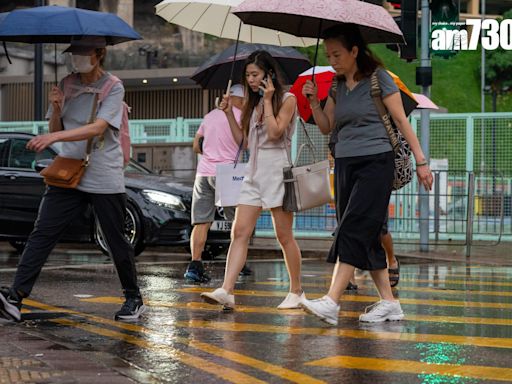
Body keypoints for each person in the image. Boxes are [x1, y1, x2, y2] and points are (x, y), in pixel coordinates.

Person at [0, 36, 146, 322]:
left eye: (82, 51)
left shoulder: (112, 87)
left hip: (103, 172)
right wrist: (56, 108)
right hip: (68, 172)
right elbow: (57, 125)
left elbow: (98, 128)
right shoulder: (66, 83)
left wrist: (54, 136)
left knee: (115, 238)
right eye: (72, 52)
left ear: (99, 53)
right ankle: (15, 298)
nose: (75, 57)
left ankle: (133, 297)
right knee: (42, 233)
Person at [300, 25, 432, 326]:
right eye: (329, 54)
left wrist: (422, 161)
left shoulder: (378, 79)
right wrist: (313, 102)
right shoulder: (336, 85)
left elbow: (401, 120)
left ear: (355, 51)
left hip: (377, 161)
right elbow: (326, 126)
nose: (333, 60)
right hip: (345, 163)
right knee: (367, 235)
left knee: (353, 225)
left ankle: (332, 301)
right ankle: (390, 303)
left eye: (338, 54)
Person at [200, 50, 306, 310]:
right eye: (247, 75)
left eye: (255, 74)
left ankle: (297, 291)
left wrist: (269, 100)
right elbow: (244, 142)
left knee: (284, 236)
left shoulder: (288, 99)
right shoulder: (253, 103)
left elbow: (276, 131)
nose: (250, 80)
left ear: (268, 74)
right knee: (239, 231)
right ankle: (227, 290)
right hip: (253, 175)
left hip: (277, 173)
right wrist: (227, 114)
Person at [185, 84, 252, 283]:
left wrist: (211, 153)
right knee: (237, 222)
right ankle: (239, 264)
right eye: (245, 99)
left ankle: (195, 265)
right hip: (228, 174)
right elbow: (246, 143)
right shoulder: (241, 116)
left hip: (203, 174)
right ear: (238, 99)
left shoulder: (210, 116)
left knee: (201, 222)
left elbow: (196, 145)